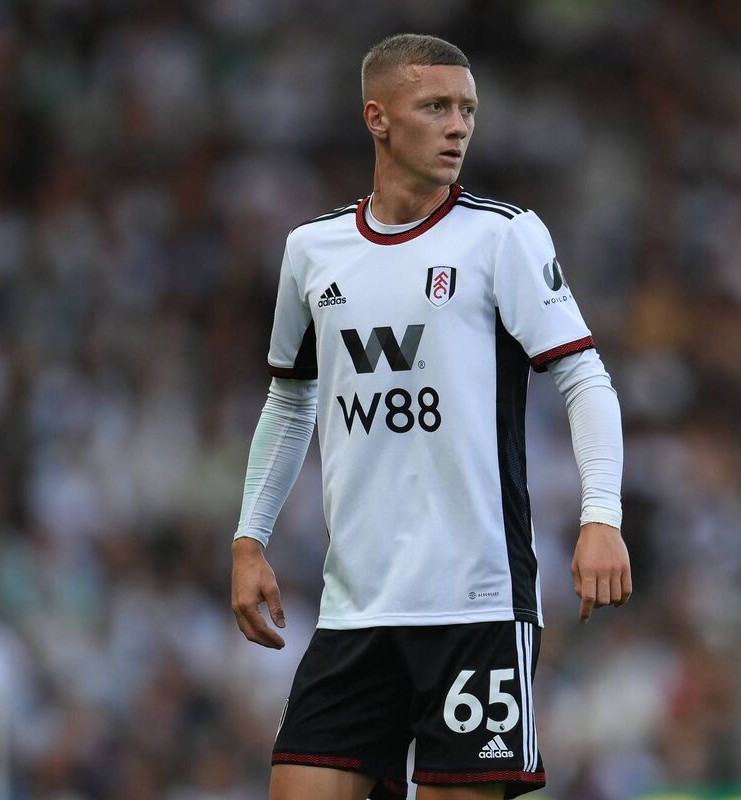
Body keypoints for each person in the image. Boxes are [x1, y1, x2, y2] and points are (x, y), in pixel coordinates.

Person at [230, 33, 631, 800]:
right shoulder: (313, 251)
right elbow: (290, 398)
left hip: (474, 604)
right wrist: (250, 540)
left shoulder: (502, 236)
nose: (458, 127)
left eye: (468, 110)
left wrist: (600, 516)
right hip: (356, 611)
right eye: (436, 107)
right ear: (377, 118)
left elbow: (584, 376)